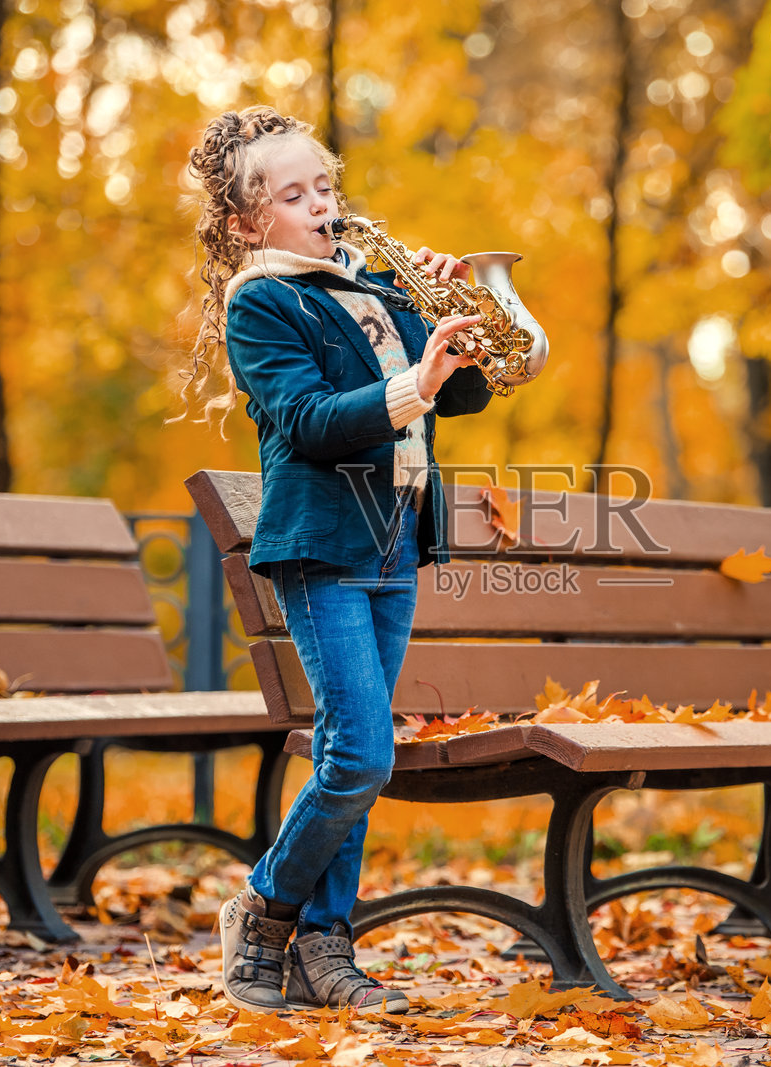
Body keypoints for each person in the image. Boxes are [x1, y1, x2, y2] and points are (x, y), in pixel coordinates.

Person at [181, 106, 492, 1013]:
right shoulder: (262, 302)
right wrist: (414, 381)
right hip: (321, 545)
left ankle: (326, 946)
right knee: (359, 754)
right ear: (248, 224)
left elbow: (464, 397)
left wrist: (453, 319)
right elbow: (311, 422)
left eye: (325, 186)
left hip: (395, 537)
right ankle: (264, 906)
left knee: (352, 751)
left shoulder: (376, 288)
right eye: (293, 195)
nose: (321, 204)